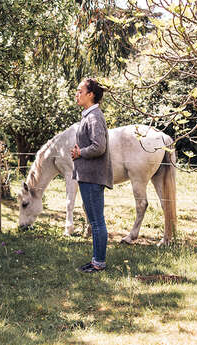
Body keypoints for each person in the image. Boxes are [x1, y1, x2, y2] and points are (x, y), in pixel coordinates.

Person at [71, 78, 113, 273]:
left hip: (93, 176)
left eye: (80, 91)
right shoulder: (88, 116)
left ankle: (99, 263)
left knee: (96, 221)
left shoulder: (94, 116)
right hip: (86, 175)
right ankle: (96, 259)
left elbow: (99, 147)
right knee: (94, 220)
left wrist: (80, 153)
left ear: (91, 95)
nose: (77, 94)